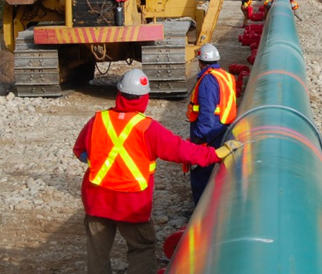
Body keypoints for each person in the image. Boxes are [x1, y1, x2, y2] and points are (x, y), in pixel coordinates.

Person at [73, 69, 241, 274]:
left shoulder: (98, 120)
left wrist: (97, 160)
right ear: (145, 98)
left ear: (119, 93)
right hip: (131, 203)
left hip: (97, 198)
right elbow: (183, 151)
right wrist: (216, 154)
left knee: (97, 252)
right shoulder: (147, 129)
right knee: (141, 247)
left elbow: (80, 151)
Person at [186, 43, 238, 205]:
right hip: (223, 129)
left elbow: (206, 112)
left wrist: (198, 140)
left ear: (201, 62)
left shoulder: (208, 80)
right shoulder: (226, 76)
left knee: (201, 174)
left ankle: (201, 213)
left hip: (209, 134)